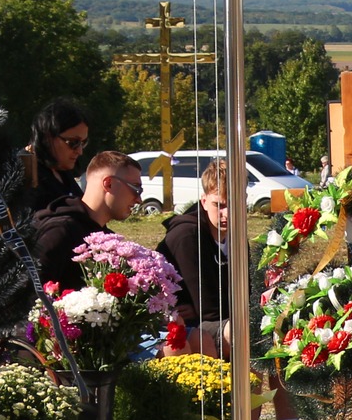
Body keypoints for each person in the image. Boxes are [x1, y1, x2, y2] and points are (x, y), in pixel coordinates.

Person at [30, 151, 142, 289]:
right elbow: (28, 294)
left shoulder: (108, 238)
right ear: (109, 184)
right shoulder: (59, 232)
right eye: (136, 188)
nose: (139, 199)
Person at [159, 160, 230, 354]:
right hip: (189, 325)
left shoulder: (236, 237)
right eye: (219, 205)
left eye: (234, 204)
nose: (226, 214)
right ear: (204, 201)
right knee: (243, 331)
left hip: (216, 318)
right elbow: (208, 309)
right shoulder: (187, 236)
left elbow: (247, 292)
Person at [19, 99, 92, 217]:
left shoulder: (60, 168)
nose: (80, 151)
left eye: (83, 143)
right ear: (47, 137)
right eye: (73, 142)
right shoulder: (26, 169)